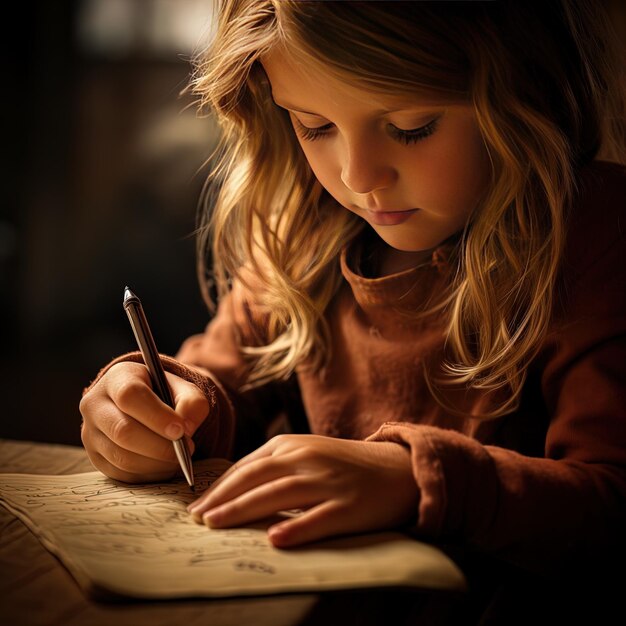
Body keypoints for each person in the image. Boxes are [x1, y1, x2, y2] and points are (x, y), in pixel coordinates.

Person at [80, 0, 625, 597]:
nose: (359, 177)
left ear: (523, 86)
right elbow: (221, 382)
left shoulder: (598, 240)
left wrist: (417, 481)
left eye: (411, 126)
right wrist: (160, 411)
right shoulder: (305, 234)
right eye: (314, 124)